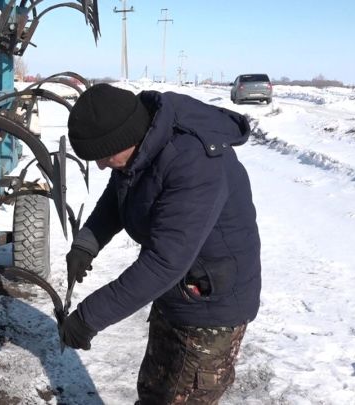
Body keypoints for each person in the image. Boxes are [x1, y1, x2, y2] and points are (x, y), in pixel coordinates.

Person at [60, 83, 261, 404]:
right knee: (156, 390)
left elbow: (165, 261)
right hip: (176, 290)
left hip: (211, 304)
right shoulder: (143, 140)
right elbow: (119, 192)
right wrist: (87, 243)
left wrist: (88, 318)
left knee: (187, 396)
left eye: (105, 156)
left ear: (129, 138)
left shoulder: (194, 162)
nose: (101, 165)